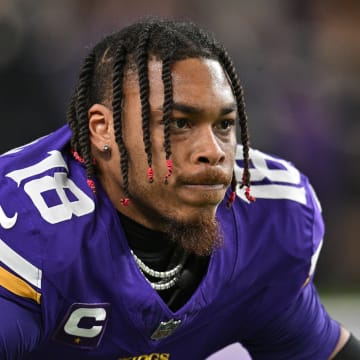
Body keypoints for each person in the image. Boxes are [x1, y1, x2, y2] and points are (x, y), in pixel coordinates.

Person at [0, 17, 359, 360]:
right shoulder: (27, 225)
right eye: (180, 123)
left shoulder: (267, 216)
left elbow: (314, 348)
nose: (213, 151)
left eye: (224, 124)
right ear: (102, 129)